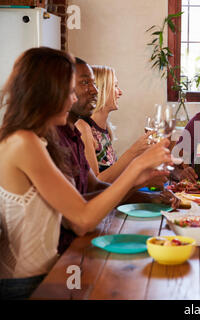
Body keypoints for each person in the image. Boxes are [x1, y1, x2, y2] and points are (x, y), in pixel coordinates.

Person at [0, 47, 172, 299]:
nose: (72, 100)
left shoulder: (36, 138)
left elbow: (83, 197)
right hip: (26, 285)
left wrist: (138, 179)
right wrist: (136, 165)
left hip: (50, 269)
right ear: (46, 91)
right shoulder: (24, 143)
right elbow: (81, 220)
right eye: (68, 91)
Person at [56, 57, 179, 253]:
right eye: (85, 83)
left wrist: (142, 188)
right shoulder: (44, 140)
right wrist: (136, 164)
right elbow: (79, 220)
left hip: (83, 238)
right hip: (64, 252)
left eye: (95, 84)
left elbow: (94, 186)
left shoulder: (73, 134)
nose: (94, 91)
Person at [75, 65, 153, 183]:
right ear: (101, 90)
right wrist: (133, 152)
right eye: (115, 86)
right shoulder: (83, 128)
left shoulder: (105, 130)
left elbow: (113, 178)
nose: (120, 92)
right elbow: (96, 185)